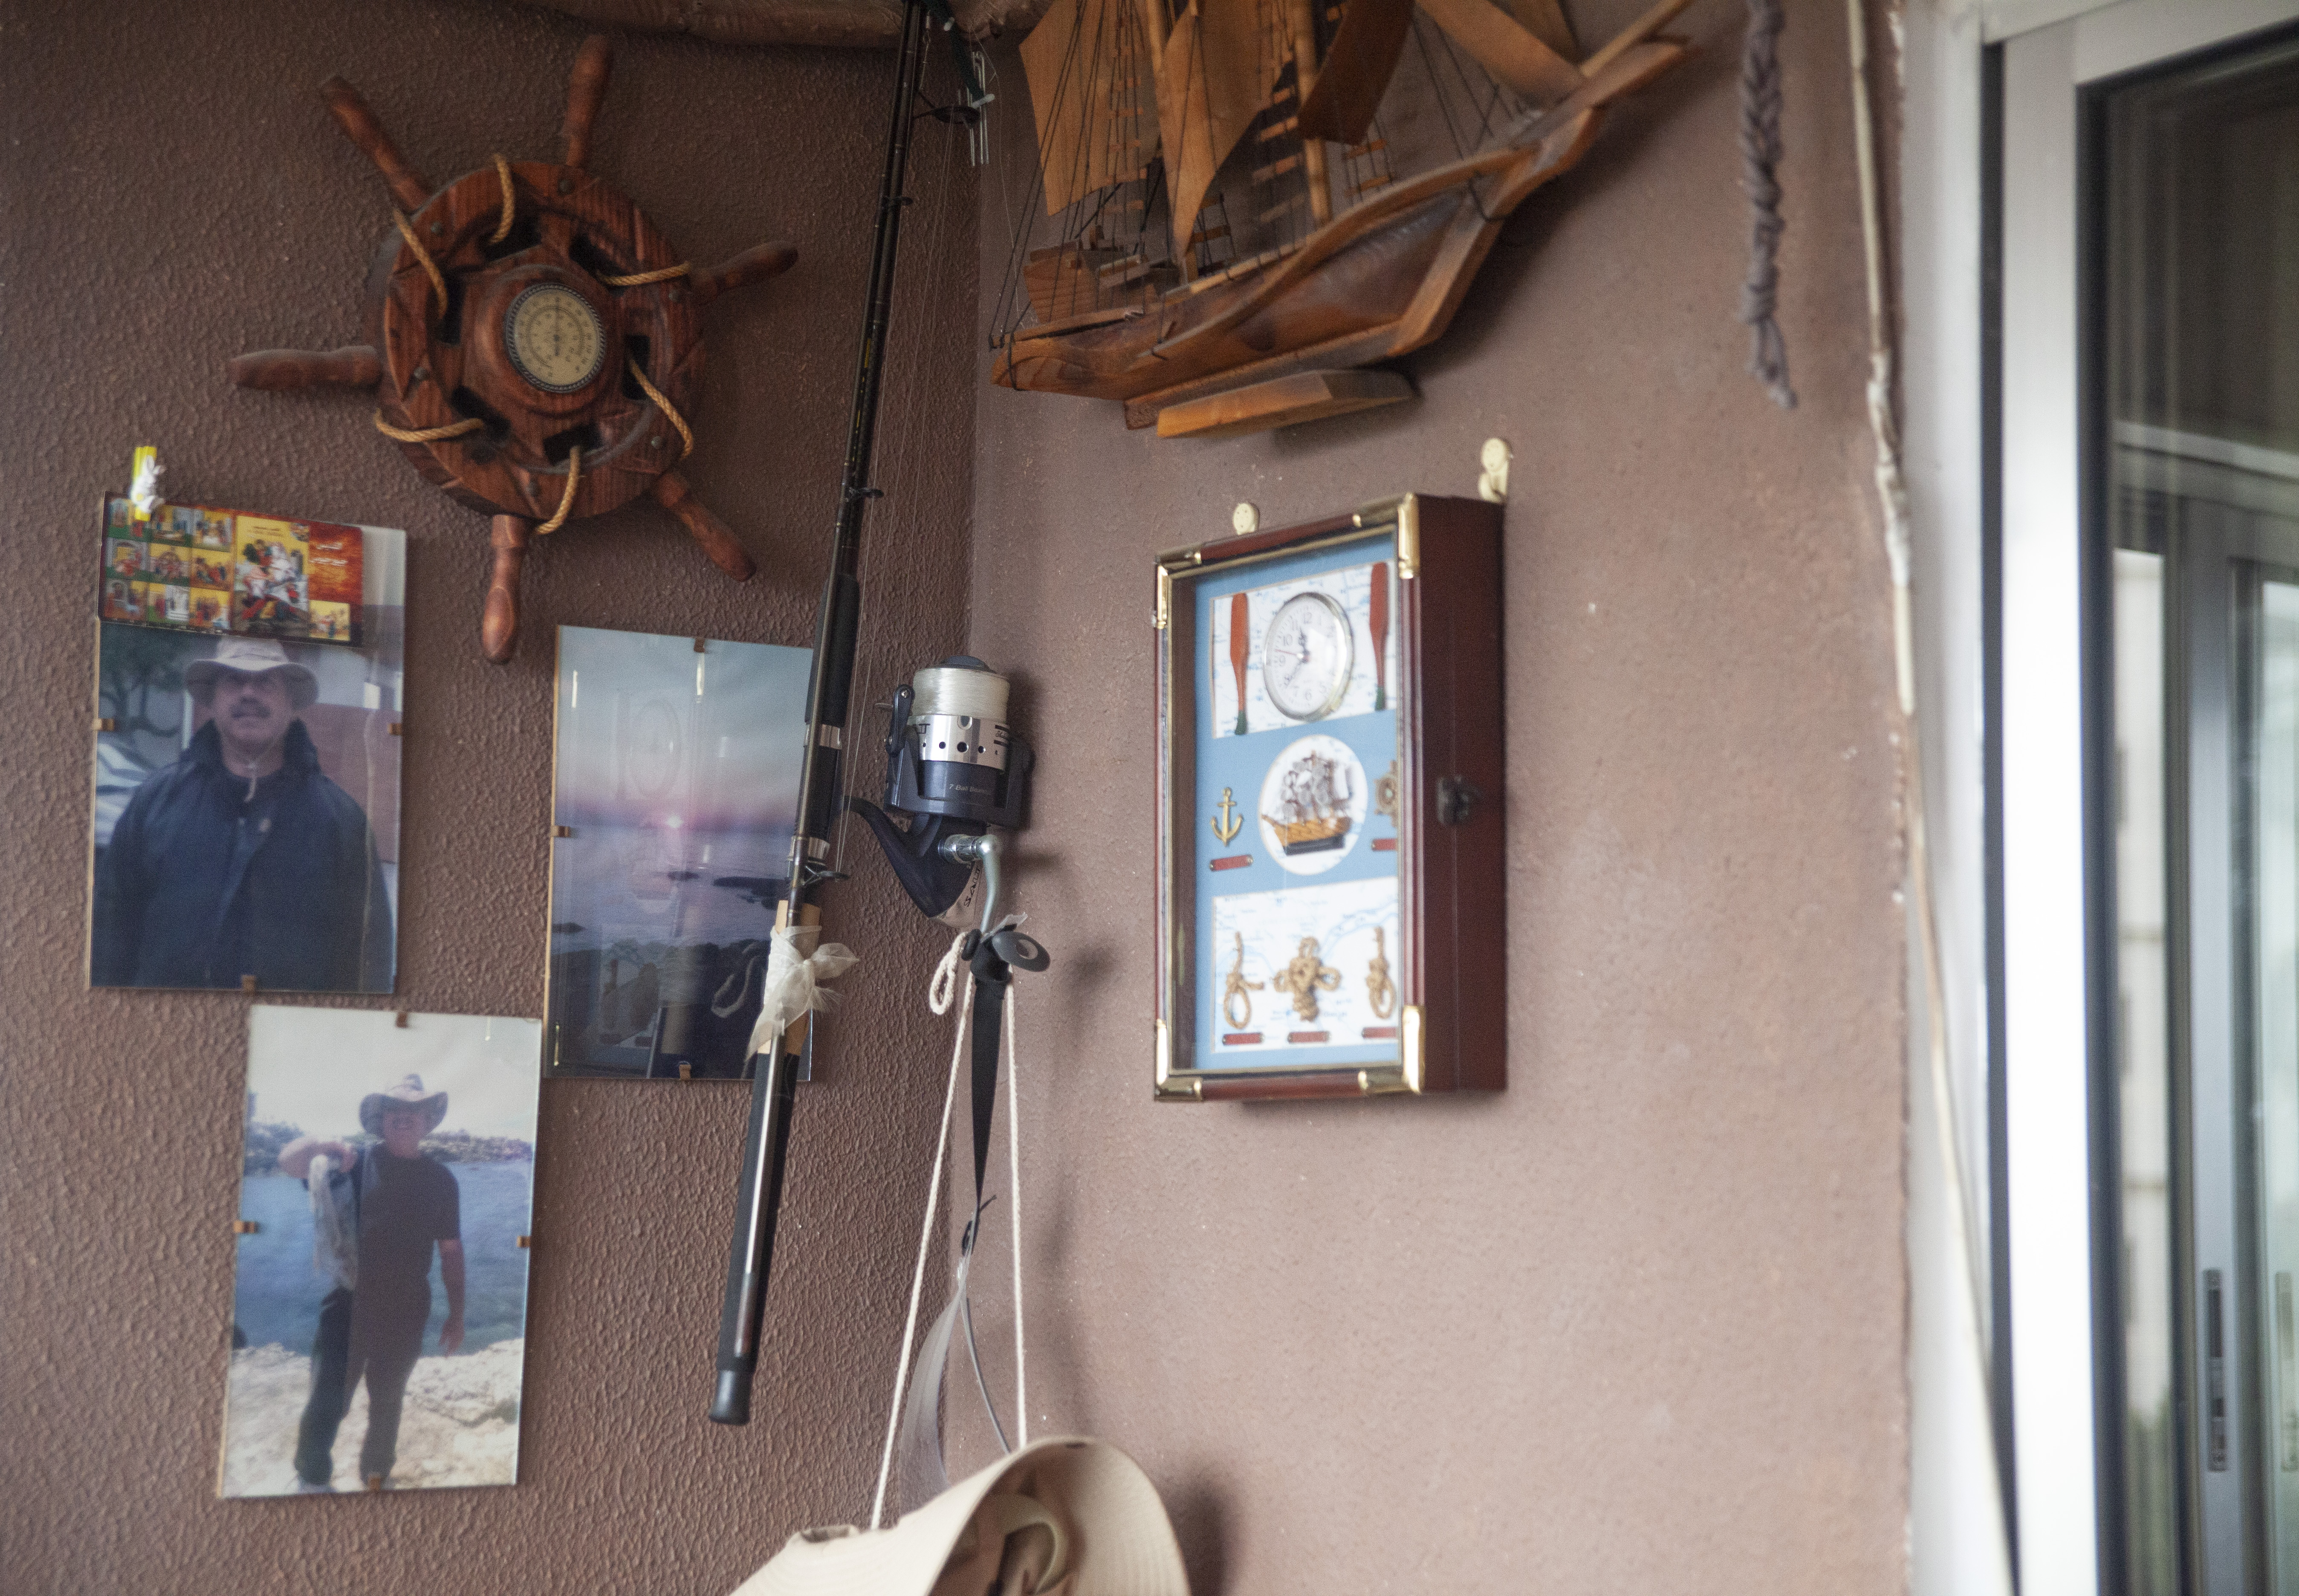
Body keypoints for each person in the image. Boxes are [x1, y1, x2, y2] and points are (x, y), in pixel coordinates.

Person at [90, 636, 392, 990]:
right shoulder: (154, 804)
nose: (249, 692)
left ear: (291, 705)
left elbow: (368, 959)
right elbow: (109, 936)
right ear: (212, 702)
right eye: (233, 680)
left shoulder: (341, 821)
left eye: (266, 682)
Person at [277, 1074, 465, 1492]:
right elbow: (288, 1162)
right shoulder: (349, 1165)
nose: (404, 1118)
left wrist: (457, 1315)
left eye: (414, 1111)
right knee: (328, 1401)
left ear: (427, 1121)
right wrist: (325, 1144)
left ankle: (376, 1477)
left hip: (407, 1308)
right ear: (380, 1120)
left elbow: (451, 1251)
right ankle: (311, 1478)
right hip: (348, 1304)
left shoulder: (441, 1181)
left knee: (387, 1402)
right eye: (394, 1111)